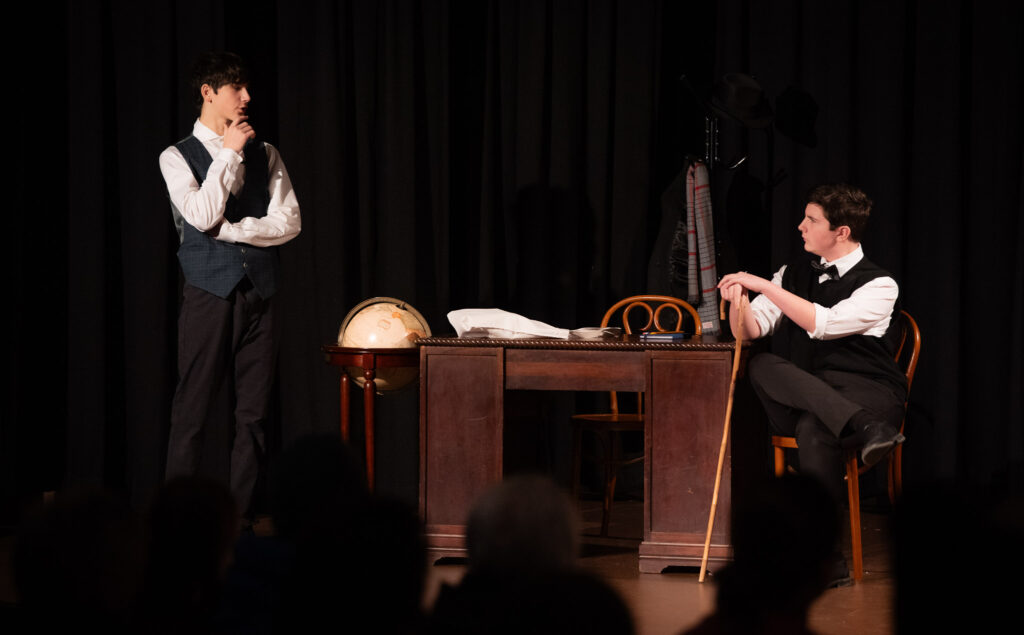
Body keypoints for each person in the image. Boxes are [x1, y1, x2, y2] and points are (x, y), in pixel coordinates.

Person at [717, 183, 906, 583]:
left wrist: (765, 286)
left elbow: (825, 324)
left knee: (815, 428)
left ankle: (826, 560)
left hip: (868, 391)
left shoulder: (880, 284)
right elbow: (749, 331)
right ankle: (866, 428)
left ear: (841, 232)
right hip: (812, 394)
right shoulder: (793, 273)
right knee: (761, 363)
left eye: (811, 220)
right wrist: (740, 301)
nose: (800, 226)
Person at [160, 51, 301, 520]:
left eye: (245, 86)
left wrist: (237, 231)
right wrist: (228, 153)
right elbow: (201, 215)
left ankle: (237, 522)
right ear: (208, 92)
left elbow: (289, 222)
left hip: (262, 292)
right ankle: (178, 522)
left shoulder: (267, 153)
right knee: (192, 411)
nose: (246, 96)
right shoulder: (176, 156)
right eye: (236, 87)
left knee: (253, 417)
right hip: (209, 292)